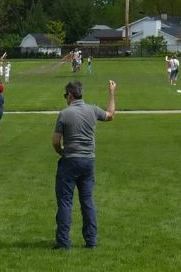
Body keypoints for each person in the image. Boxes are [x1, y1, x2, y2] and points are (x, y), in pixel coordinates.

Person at [53, 79, 117, 249]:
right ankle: (91, 241)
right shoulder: (93, 110)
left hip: (70, 160)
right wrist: (111, 93)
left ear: (71, 95)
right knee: (87, 201)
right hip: (88, 161)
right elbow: (110, 115)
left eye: (65, 95)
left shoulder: (65, 113)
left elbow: (55, 141)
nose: (65, 98)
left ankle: (63, 242)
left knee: (66, 202)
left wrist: (61, 152)